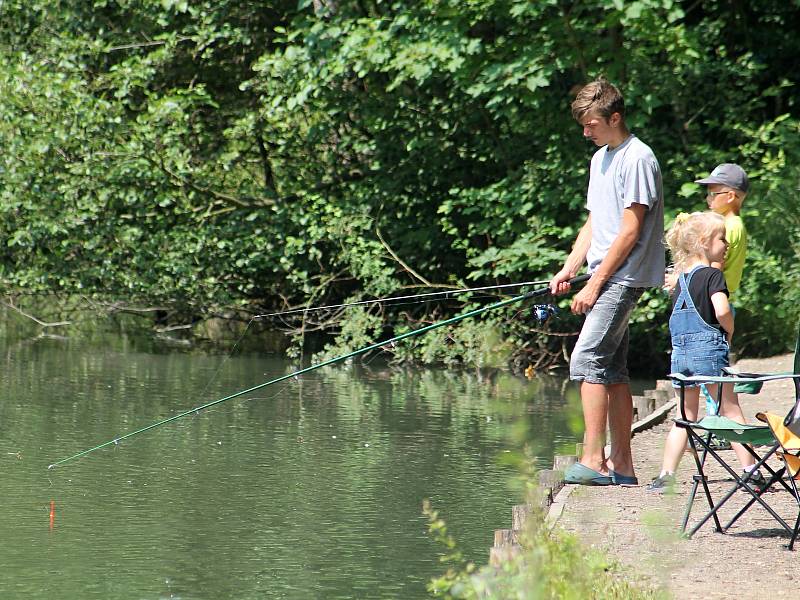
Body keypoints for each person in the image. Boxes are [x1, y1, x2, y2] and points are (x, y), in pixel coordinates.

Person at [550, 79, 665, 486]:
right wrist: (569, 268)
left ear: (615, 118)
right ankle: (623, 467)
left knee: (586, 361)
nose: (587, 132)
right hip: (603, 272)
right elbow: (595, 223)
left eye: (593, 124)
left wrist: (594, 283)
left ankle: (593, 460)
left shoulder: (638, 158)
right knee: (613, 370)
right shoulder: (600, 159)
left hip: (622, 276)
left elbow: (630, 231)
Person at [647, 212, 763, 492]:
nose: (727, 244)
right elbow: (721, 310)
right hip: (709, 353)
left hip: (682, 357)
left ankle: (666, 475)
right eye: (722, 239)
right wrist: (730, 330)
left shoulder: (680, 282)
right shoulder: (713, 275)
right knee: (730, 410)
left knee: (684, 417)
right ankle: (750, 470)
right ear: (703, 242)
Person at [695, 164, 750, 446]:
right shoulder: (736, 224)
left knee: (711, 370)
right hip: (724, 299)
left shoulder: (727, 226)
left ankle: (718, 428)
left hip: (716, 301)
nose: (708, 200)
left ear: (730, 196)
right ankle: (717, 425)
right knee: (715, 368)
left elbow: (715, 267)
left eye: (713, 194)